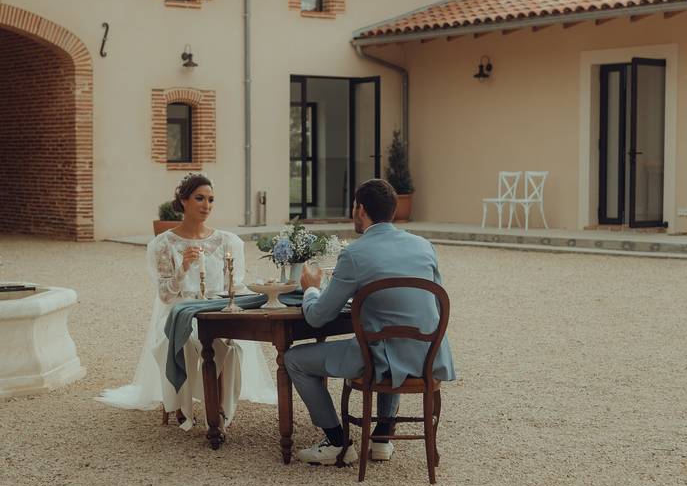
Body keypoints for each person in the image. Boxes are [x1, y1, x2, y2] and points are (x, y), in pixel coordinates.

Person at [284, 178, 455, 465]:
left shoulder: (355, 253)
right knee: (392, 333)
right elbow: (433, 301)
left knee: (293, 359)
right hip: (426, 355)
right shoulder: (424, 246)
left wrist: (312, 288)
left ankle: (336, 443)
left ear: (360, 209)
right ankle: (382, 437)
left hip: (380, 358)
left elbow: (317, 317)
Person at [97, 173, 276, 428]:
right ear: (183, 201)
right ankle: (185, 408)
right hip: (178, 314)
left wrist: (266, 291)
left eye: (211, 200)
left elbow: (235, 287)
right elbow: (165, 295)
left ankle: (220, 415)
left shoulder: (228, 241)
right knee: (190, 341)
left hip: (217, 312)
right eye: (200, 198)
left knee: (230, 346)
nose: (207, 206)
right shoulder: (163, 244)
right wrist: (183, 268)